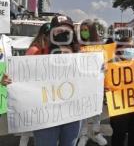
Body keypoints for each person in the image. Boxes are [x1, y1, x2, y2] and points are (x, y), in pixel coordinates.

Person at [33, 15, 81, 146]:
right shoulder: (37, 53)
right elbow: (21, 78)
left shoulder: (81, 55)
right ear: (51, 33)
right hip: (45, 116)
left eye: (67, 31)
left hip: (72, 115)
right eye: (59, 31)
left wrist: (100, 70)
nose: (63, 34)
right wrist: (9, 80)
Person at [18, 23, 51, 146]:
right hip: (33, 93)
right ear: (44, 35)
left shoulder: (52, 49)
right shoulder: (34, 50)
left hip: (46, 94)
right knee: (27, 129)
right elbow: (23, 71)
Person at [109, 36, 134, 146]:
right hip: (120, 108)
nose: (131, 49)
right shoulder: (111, 64)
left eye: (132, 46)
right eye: (128, 46)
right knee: (119, 135)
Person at [77, 19, 107, 146]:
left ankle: (96, 133)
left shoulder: (101, 47)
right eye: (82, 30)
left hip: (97, 83)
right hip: (83, 84)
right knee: (83, 110)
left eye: (86, 30)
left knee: (96, 110)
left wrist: (105, 66)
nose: (84, 32)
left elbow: (106, 62)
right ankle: (83, 135)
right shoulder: (79, 46)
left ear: (92, 31)